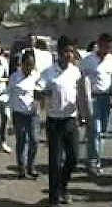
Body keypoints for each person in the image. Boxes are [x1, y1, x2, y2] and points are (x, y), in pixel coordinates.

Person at [37, 36, 81, 207]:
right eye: (66, 51)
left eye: (71, 51)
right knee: (55, 162)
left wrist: (84, 112)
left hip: (71, 120)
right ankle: (54, 198)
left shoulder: (76, 72)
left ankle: (62, 187)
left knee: (74, 157)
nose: (69, 55)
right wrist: (43, 93)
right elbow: (38, 90)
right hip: (54, 122)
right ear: (59, 52)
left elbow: (83, 95)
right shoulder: (48, 72)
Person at [80, 33, 112, 176]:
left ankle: (93, 157)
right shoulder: (88, 60)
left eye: (109, 47)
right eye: (105, 46)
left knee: (102, 131)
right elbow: (81, 81)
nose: (107, 49)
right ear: (99, 44)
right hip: (93, 98)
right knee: (95, 130)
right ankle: (94, 162)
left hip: (107, 99)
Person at [8, 50, 40, 179]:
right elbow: (8, 92)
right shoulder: (15, 77)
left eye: (31, 65)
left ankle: (31, 166)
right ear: (22, 64)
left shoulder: (37, 76)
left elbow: (40, 93)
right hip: (19, 114)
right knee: (21, 141)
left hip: (32, 114)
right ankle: (21, 168)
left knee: (34, 140)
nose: (29, 68)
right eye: (27, 64)